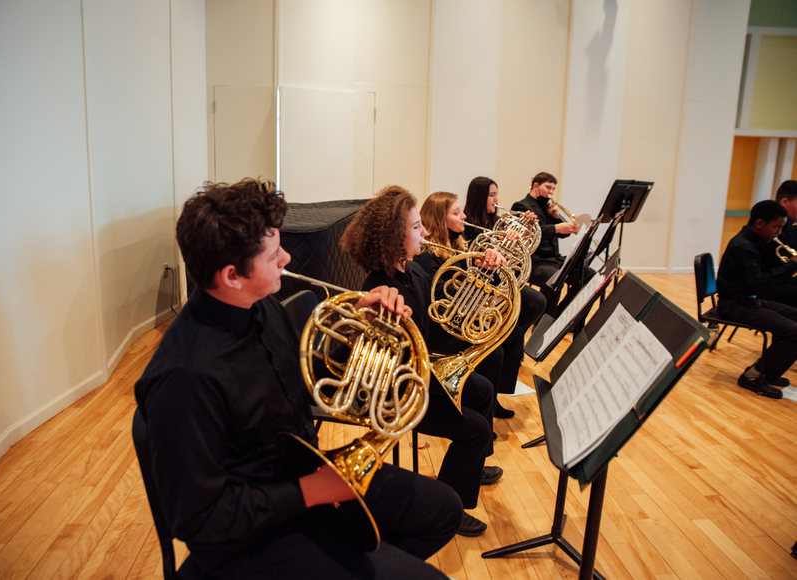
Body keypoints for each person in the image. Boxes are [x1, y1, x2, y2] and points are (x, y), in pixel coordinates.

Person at [134, 178, 463, 580]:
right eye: (273, 255)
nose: (287, 258)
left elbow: (306, 377)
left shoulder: (260, 305)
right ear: (232, 275)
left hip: (302, 475)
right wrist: (311, 492)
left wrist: (361, 320)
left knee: (443, 509)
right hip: (249, 538)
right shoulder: (184, 377)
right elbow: (199, 519)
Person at [341, 186, 502, 538]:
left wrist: (482, 269)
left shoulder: (411, 270)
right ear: (394, 238)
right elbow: (388, 364)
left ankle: (471, 468)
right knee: (475, 430)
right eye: (416, 227)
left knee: (483, 390)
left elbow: (447, 305)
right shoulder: (380, 286)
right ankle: (452, 507)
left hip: (425, 371)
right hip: (402, 390)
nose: (426, 233)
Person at [416, 191, 546, 419]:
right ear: (439, 218)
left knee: (513, 334)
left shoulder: (456, 245)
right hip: (442, 325)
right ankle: (480, 405)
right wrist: (482, 270)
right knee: (494, 351)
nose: (464, 216)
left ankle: (493, 397)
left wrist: (492, 266)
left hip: (461, 317)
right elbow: (448, 299)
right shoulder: (428, 258)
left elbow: (477, 287)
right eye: (457, 212)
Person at [717, 199, 797, 399]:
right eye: (776, 227)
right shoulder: (743, 246)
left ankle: (769, 372)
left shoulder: (756, 242)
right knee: (794, 333)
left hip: (749, 300)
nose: (779, 232)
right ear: (760, 224)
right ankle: (753, 376)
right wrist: (791, 266)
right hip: (736, 304)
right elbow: (757, 284)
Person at [510, 172, 596, 318]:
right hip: (534, 262)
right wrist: (556, 228)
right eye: (548, 187)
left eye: (553, 189)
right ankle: (542, 321)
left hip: (553, 260)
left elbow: (562, 234)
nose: (551, 192)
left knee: (589, 274)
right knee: (554, 277)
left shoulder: (547, 208)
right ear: (536, 186)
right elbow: (532, 233)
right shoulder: (521, 205)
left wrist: (557, 218)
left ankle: (559, 315)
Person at [759, 180, 797, 307]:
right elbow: (777, 268)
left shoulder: (790, 225)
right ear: (785, 202)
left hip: (782, 280)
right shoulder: (769, 229)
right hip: (768, 286)